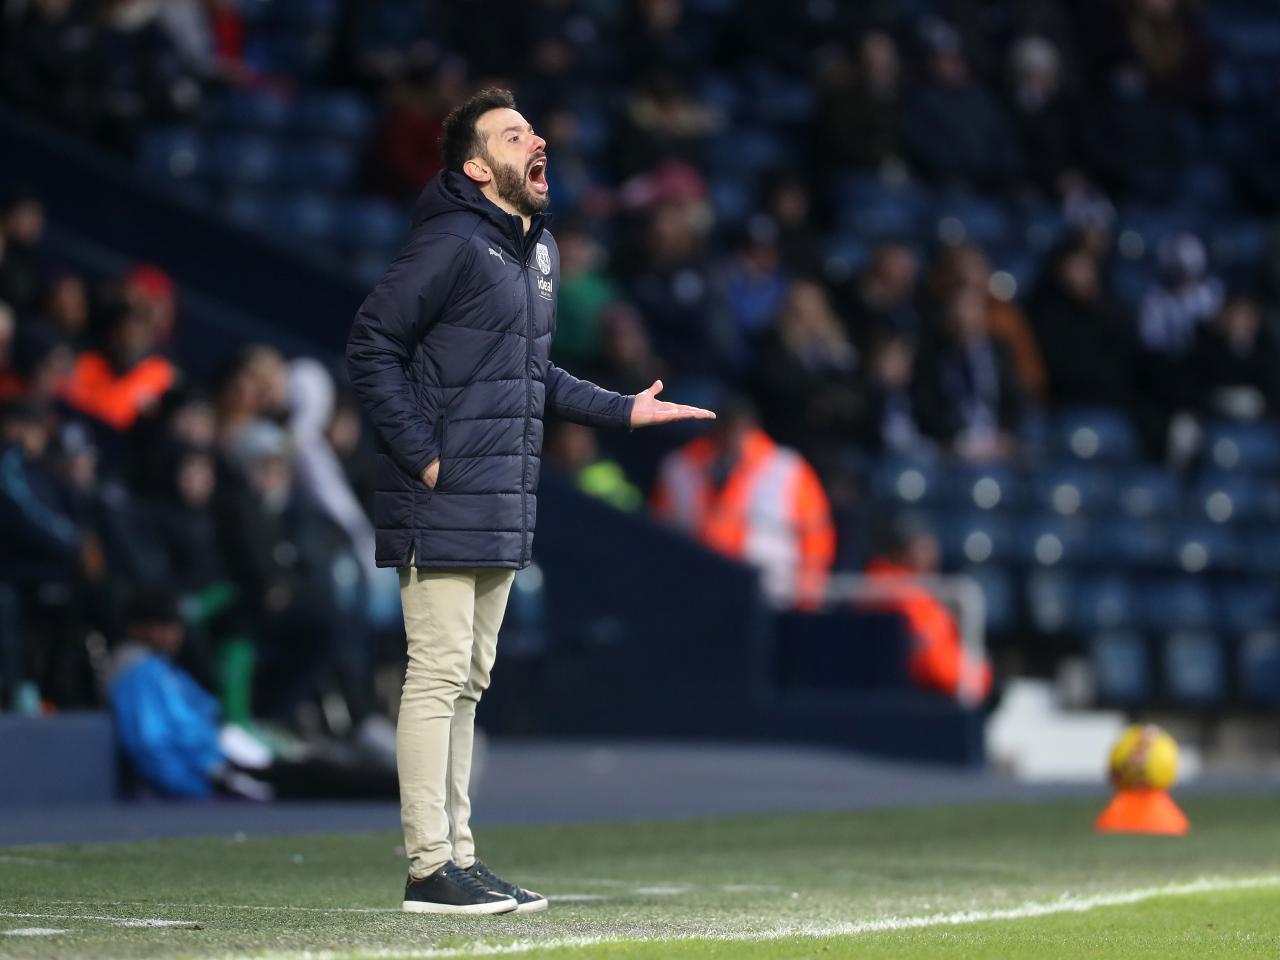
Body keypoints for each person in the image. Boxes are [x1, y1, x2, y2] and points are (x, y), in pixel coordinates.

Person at [345, 87, 714, 916]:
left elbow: (528, 374)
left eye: (535, 129)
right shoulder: (448, 242)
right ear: (477, 168)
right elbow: (371, 342)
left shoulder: (534, 252)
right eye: (515, 135)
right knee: (437, 675)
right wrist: (424, 456)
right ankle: (427, 864)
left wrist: (623, 408)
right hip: (445, 493)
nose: (536, 140)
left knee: (469, 681)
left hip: (500, 496)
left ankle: (460, 860)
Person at [651, 398, 833, 610]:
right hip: (698, 592)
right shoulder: (679, 468)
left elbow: (816, 533)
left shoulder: (787, 469)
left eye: (738, 430)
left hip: (771, 594)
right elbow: (660, 532)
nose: (731, 438)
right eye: (724, 429)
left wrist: (808, 596)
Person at [864, 518, 992, 703]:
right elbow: (937, 666)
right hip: (915, 701)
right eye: (923, 548)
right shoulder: (908, 598)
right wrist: (979, 677)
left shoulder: (872, 584)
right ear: (902, 553)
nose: (933, 555)